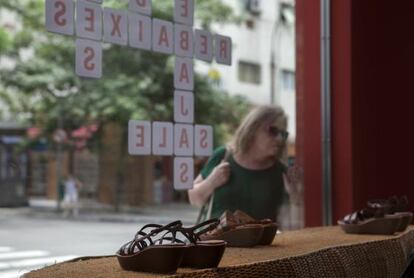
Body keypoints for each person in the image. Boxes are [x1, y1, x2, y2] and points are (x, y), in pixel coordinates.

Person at [188, 105, 301, 222]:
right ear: (253, 129)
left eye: (283, 134)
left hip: (259, 240)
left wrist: (295, 195)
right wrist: (211, 182)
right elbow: (193, 198)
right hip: (215, 239)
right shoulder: (223, 156)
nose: (279, 139)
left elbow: (290, 226)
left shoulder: (281, 172)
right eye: (273, 131)